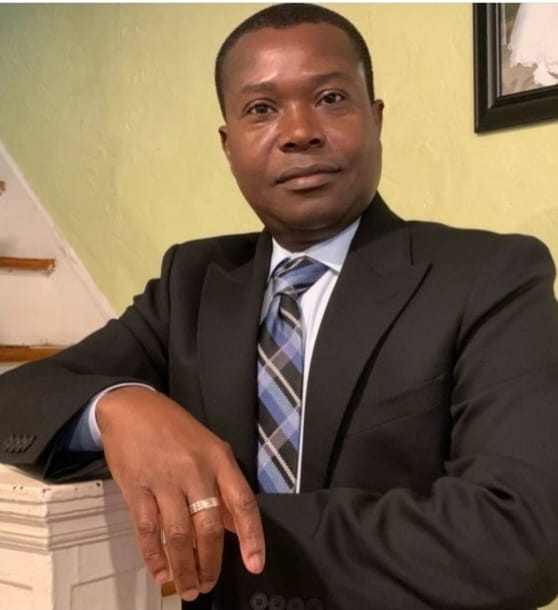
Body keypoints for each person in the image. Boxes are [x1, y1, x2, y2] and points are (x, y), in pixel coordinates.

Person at [2, 4, 558, 609]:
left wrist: (227, 519)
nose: (299, 131)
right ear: (228, 144)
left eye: (330, 98)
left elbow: (521, 535)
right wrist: (119, 406)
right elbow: (18, 399)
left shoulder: (488, 277)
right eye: (261, 109)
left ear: (375, 119)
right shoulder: (194, 282)